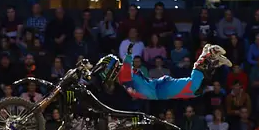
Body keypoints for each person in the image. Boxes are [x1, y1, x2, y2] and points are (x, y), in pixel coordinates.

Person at [93, 43, 231, 100]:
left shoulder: (123, 76)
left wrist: (128, 56)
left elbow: (127, 65)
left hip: (160, 88)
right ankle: (213, 62)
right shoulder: (122, 79)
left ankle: (207, 55)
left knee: (193, 86)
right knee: (196, 91)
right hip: (160, 91)